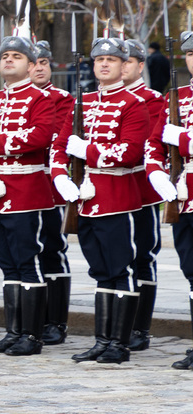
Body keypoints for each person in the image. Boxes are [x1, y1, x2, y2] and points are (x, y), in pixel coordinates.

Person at [51, 37, 149, 364]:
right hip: (85, 199)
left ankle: (119, 344)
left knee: (121, 269)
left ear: (124, 65)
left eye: (112, 59)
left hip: (117, 197)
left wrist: (89, 151)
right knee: (100, 271)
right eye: (99, 60)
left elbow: (130, 151)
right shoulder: (83, 102)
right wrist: (60, 177)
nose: (104, 64)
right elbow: (59, 146)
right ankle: (102, 340)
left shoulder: (134, 104)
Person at [0, 35, 56, 356]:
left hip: (26, 191)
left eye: (16, 56)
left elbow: (41, 136)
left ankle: (31, 335)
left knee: (27, 260)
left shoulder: (40, 98)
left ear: (31, 66)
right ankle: (13, 331)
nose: (8, 60)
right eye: (5, 56)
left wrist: (0, 140)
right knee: (6, 263)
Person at [121, 39, 167, 351]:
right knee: (115, 260)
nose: (121, 66)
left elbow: (144, 144)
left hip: (141, 191)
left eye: (127, 61)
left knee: (142, 256)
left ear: (140, 66)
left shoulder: (151, 100)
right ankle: (119, 327)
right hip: (110, 193)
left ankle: (140, 327)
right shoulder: (99, 101)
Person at [152, 29, 193, 369]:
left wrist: (184, 141)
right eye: (190, 54)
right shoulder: (176, 97)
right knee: (191, 271)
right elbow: (154, 143)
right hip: (183, 196)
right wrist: (157, 175)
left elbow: (177, 140)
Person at [30, 40, 75, 345]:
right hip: (22, 186)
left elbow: (55, 137)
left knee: (52, 249)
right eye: (34, 63)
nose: (39, 68)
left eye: (44, 62)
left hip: (51, 184)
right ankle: (32, 319)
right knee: (26, 252)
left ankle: (55, 322)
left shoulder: (62, 99)